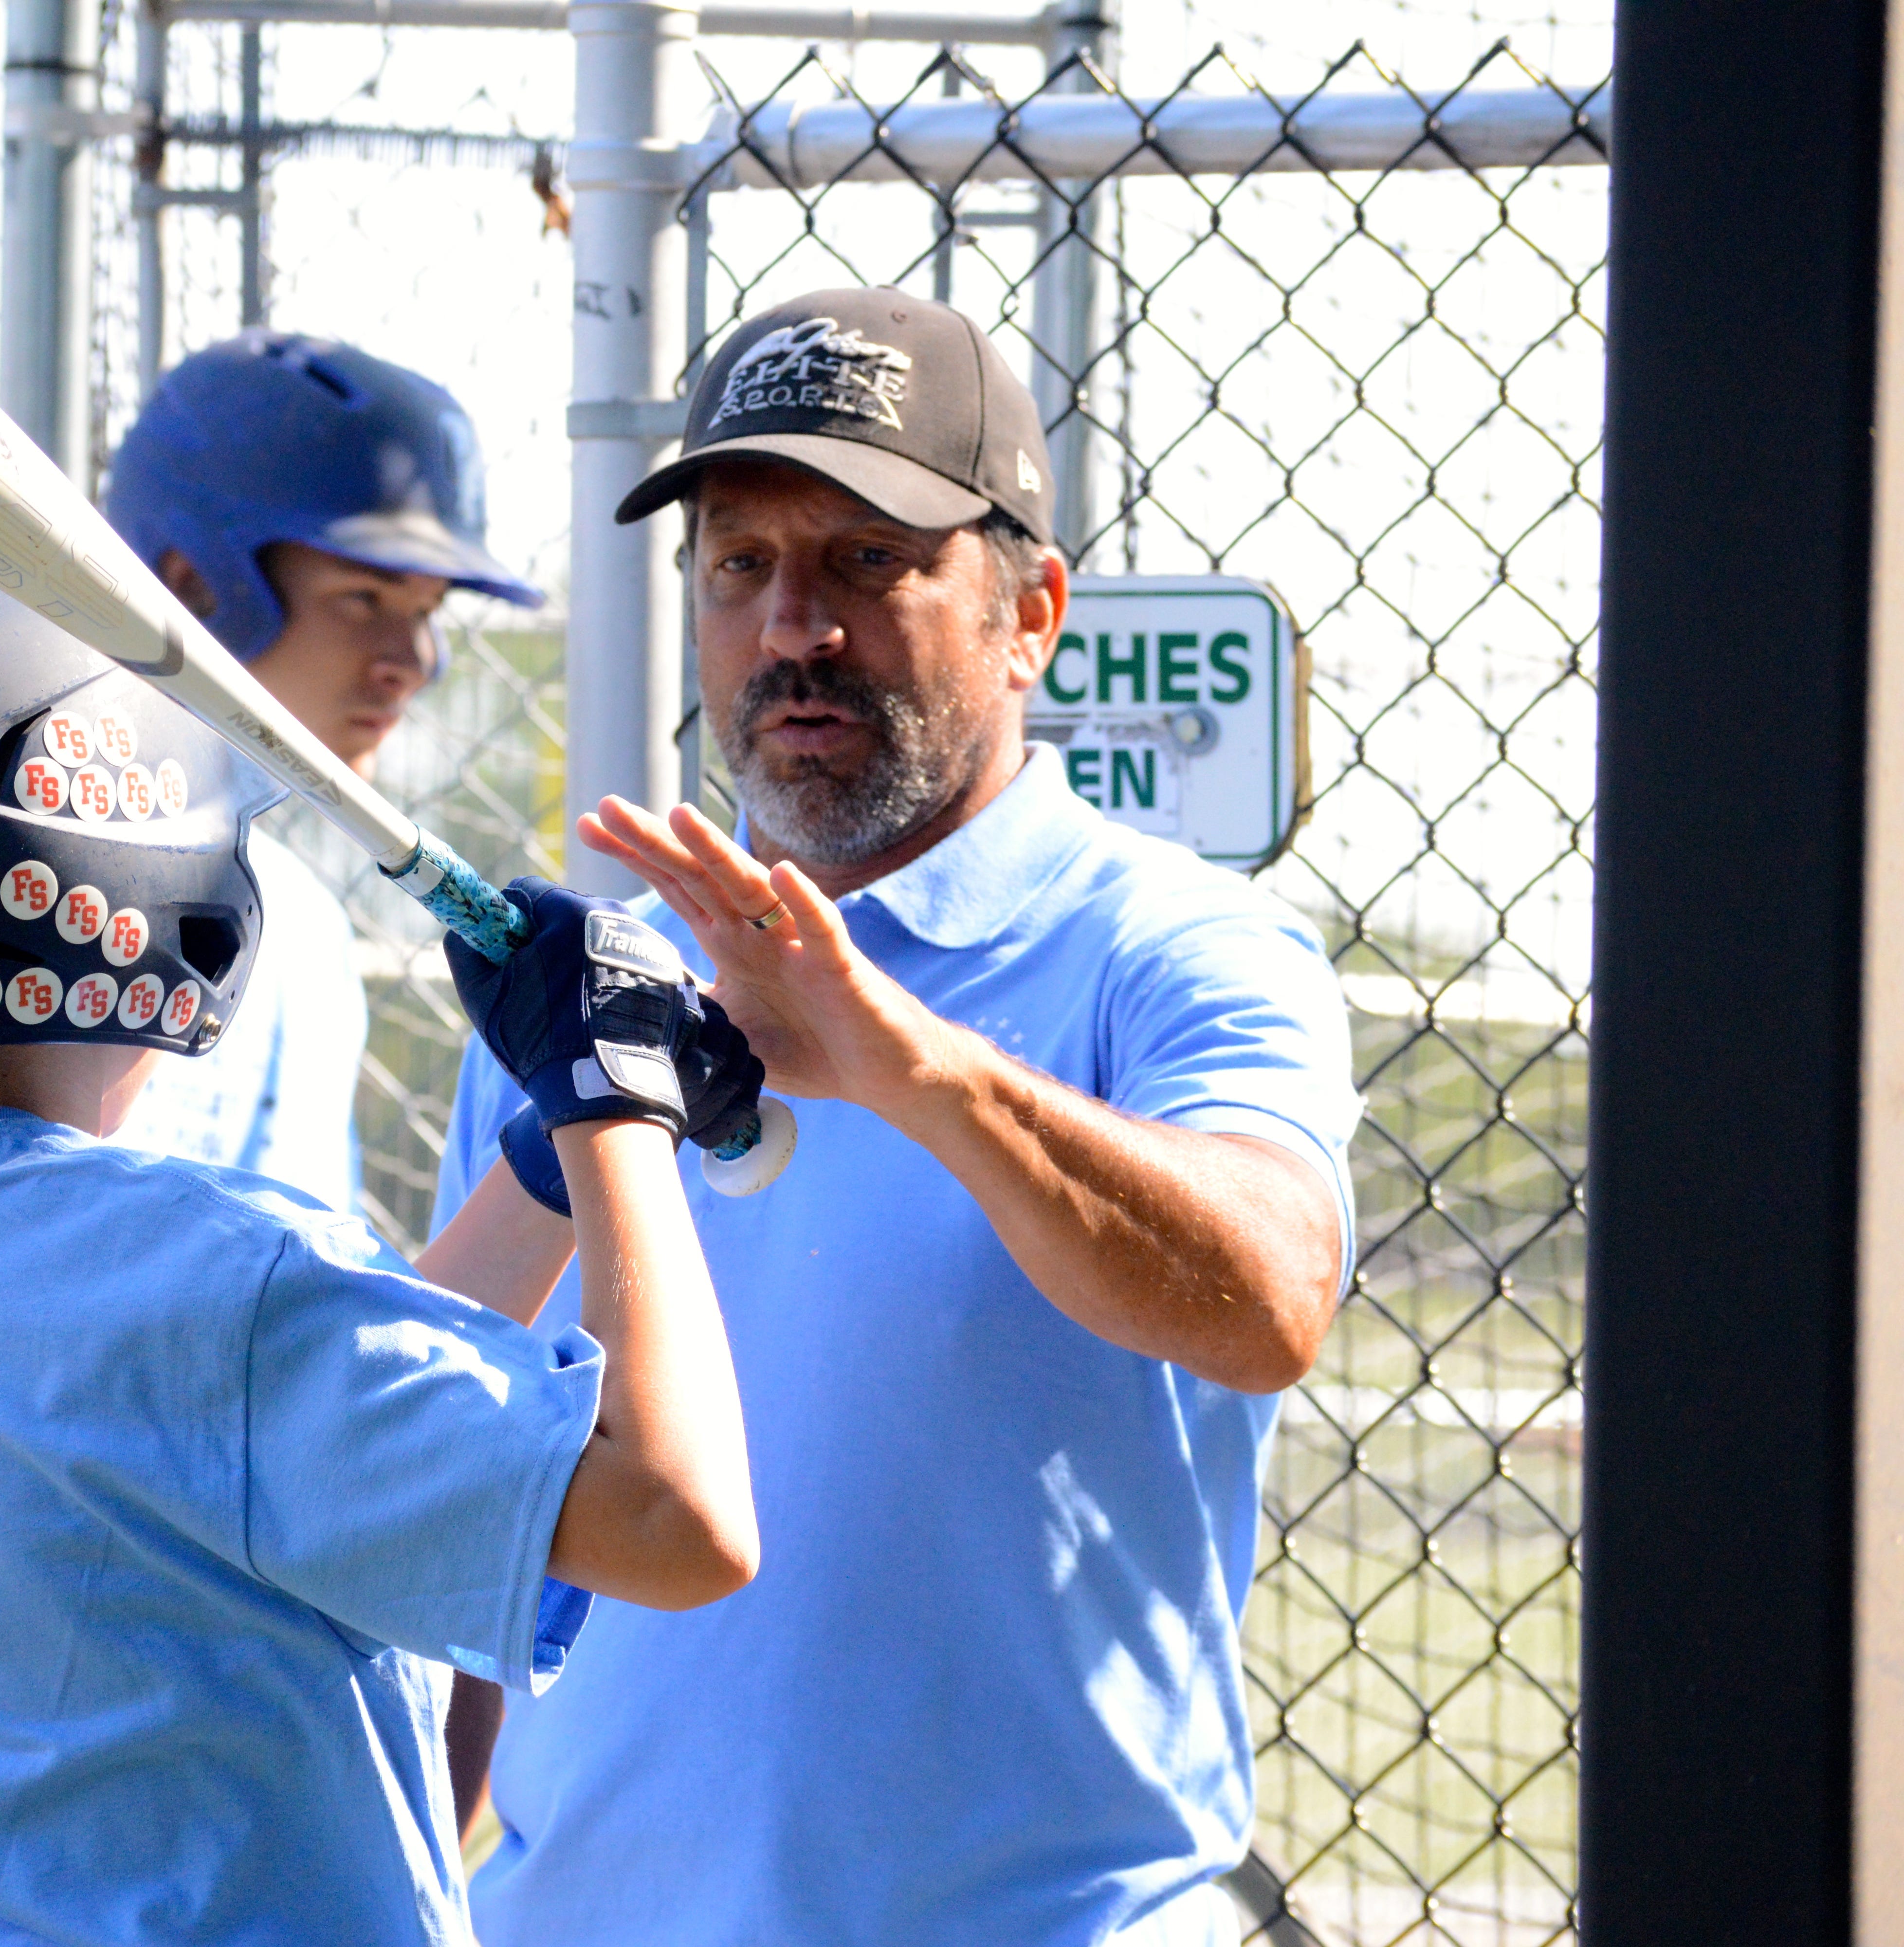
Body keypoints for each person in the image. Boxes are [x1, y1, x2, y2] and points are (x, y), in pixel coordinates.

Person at [436, 289, 1362, 1947]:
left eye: (869, 561)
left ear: (1028, 618)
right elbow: (469, 1499)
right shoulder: (586, 985)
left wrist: (907, 1068)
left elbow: (1272, 1298)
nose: (794, 625)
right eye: (740, 565)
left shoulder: (1168, 947)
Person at [0, 558, 756, 1947]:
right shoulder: (200, 1279)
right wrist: (615, 1109)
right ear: (167, 910)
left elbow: (280, 1429)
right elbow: (681, 1520)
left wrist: (546, 1167)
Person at [0, 331, 541, 1212]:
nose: (413, 660)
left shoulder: (303, 931)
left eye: (428, 612)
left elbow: (301, 1290)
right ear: (193, 582)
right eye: (364, 601)